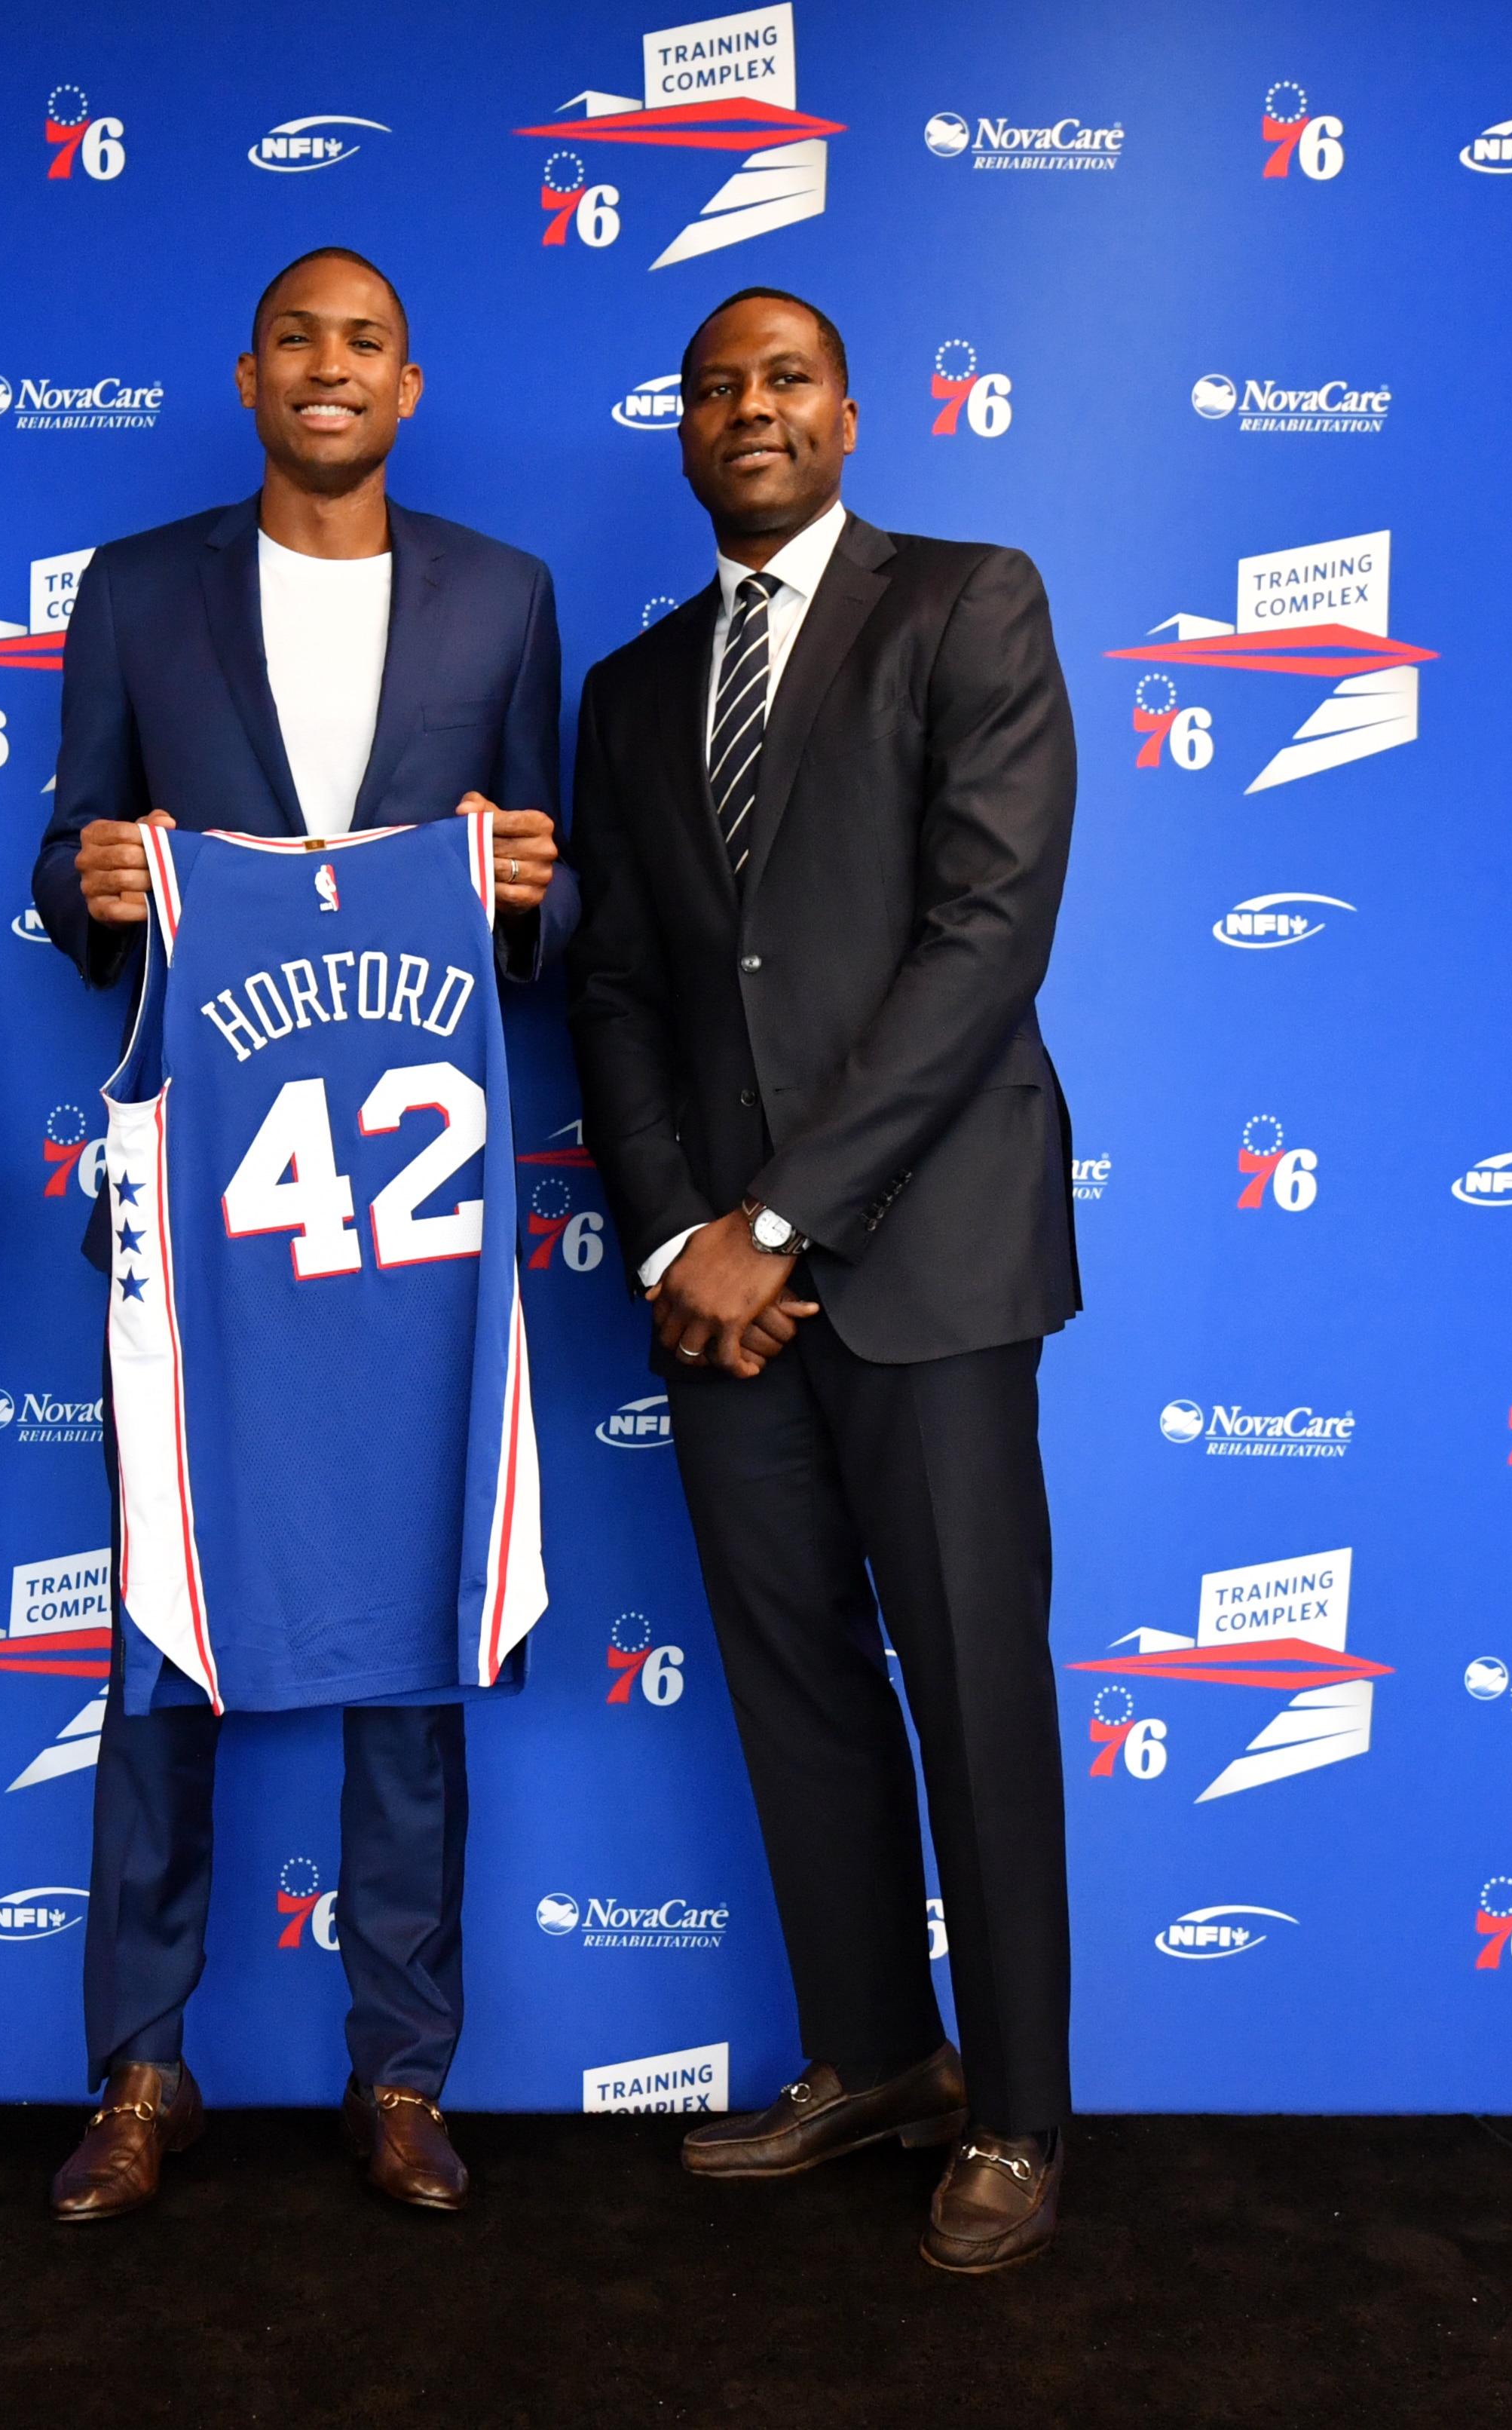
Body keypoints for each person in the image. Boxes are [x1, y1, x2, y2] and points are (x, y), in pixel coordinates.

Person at [27, 247, 571, 2220]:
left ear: (405, 387)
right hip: (206, 1200)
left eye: (364, 343)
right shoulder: (135, 588)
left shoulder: (503, 593)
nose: (327, 368)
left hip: (412, 1210)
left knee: (410, 1633)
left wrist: (533, 885)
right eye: (294, 340)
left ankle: (400, 2070)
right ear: (247, 374)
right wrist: (95, 882)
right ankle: (140, 2065)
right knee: (168, 1621)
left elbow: (550, 906)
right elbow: (63, 865)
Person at [562, 289, 1083, 2274]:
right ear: (683, 432)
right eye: (713, 387)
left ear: (848, 414)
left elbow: (983, 943)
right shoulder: (630, 690)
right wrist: (673, 1238)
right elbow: (617, 990)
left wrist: (771, 1226)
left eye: (782, 379)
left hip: (920, 1265)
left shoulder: (968, 602)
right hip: (715, 1300)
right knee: (794, 1691)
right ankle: (874, 2057)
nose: (748, 409)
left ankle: (1016, 2113)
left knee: (973, 1692)